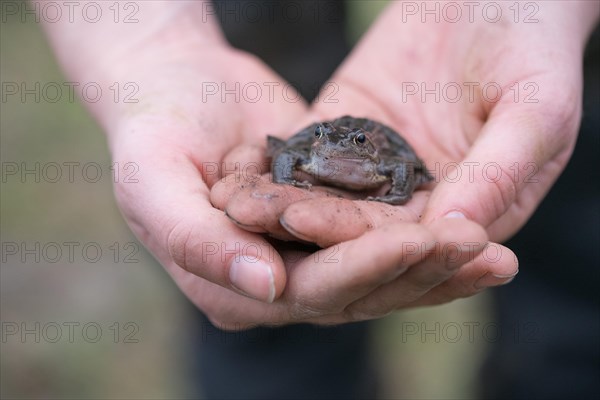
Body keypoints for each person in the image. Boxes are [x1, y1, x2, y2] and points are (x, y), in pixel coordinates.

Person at [41, 1, 599, 397]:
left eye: (348, 144)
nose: (334, 150)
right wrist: (150, 49)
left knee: (572, 255)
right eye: (329, 145)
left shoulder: (378, 159)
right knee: (266, 279)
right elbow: (284, 149)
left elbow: (402, 169)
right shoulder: (312, 152)